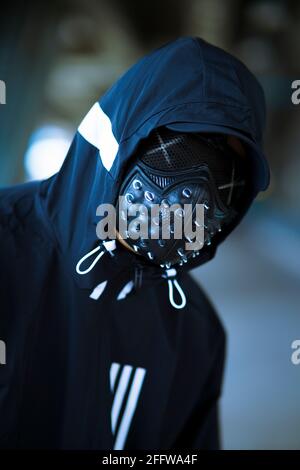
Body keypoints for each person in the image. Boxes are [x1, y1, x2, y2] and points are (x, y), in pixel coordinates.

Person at [0, 37, 269, 449]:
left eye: (226, 175)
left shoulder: (193, 332)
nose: (193, 197)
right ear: (127, 137)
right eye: (182, 152)